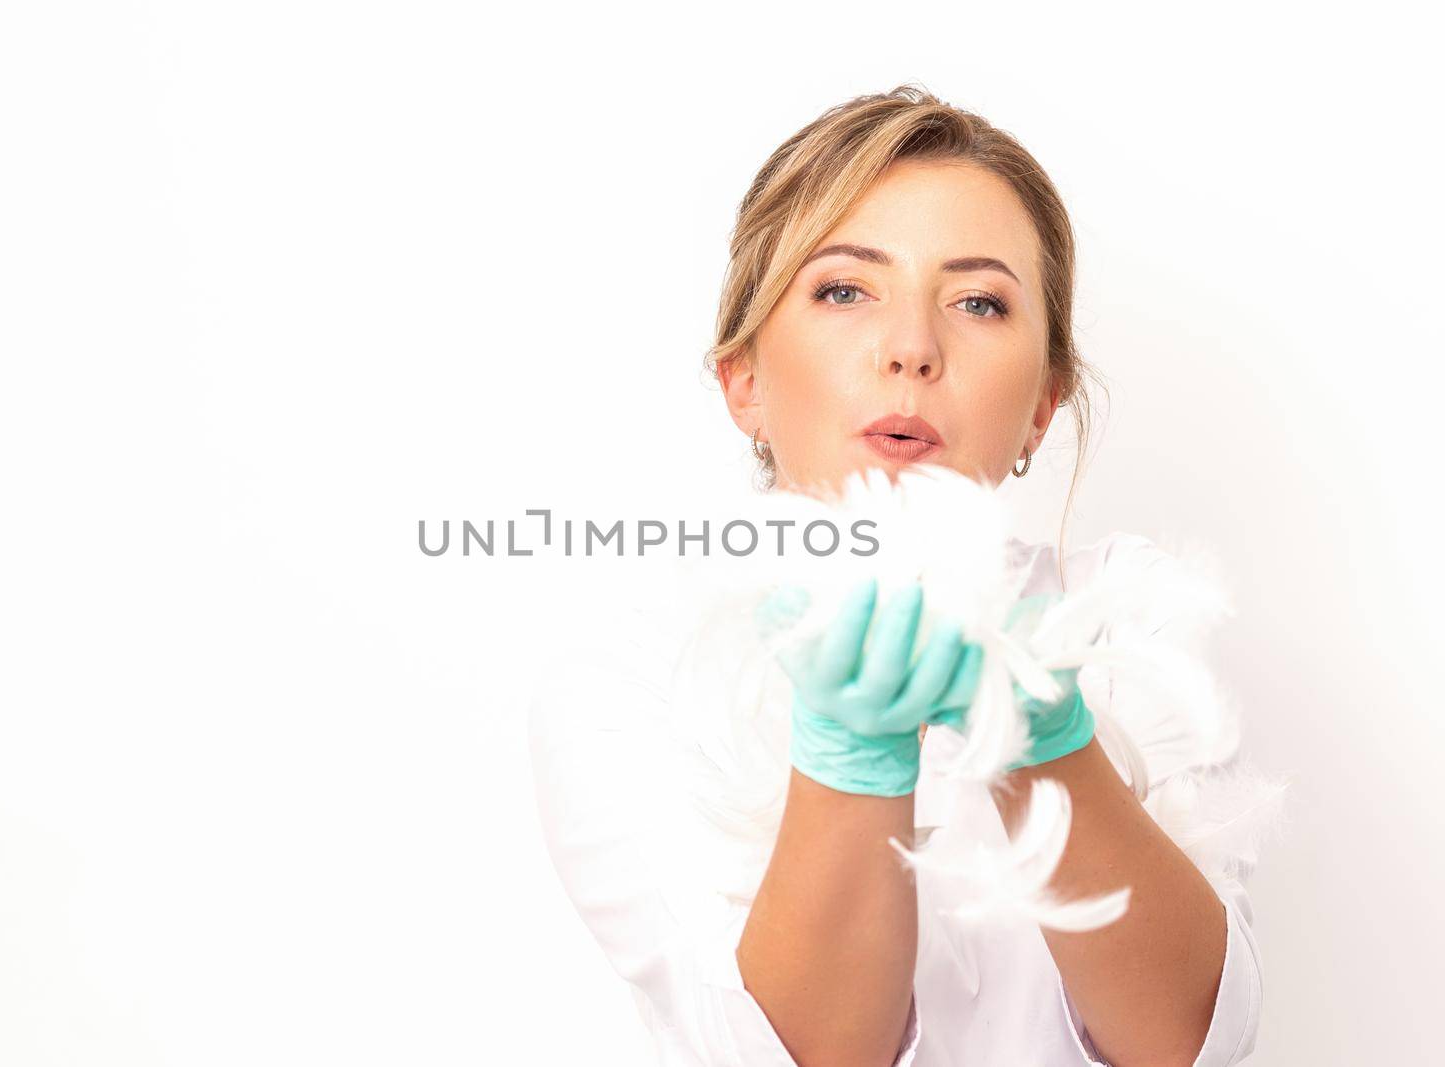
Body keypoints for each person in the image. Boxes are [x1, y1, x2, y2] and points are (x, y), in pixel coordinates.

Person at [527, 85, 1267, 1066]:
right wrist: (851, 752)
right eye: (844, 288)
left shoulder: (1128, 629)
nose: (913, 348)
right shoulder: (627, 673)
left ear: (1042, 408)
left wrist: (1041, 746)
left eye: (978, 301)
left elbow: (1190, 1045)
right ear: (743, 379)